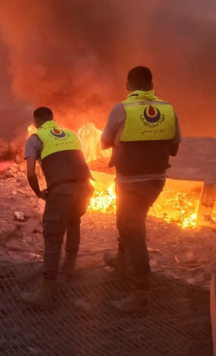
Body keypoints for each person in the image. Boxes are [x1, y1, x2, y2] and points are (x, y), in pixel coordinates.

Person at [101, 66, 181, 313]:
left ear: (128, 85)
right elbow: (174, 148)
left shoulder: (121, 109)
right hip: (156, 181)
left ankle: (140, 295)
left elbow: (104, 143)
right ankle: (122, 264)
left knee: (132, 232)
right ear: (151, 84)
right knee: (129, 224)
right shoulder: (168, 109)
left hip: (130, 182)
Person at [20, 107, 93, 308]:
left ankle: (46, 291)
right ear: (53, 119)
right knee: (73, 221)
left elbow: (31, 174)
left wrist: (38, 193)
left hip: (62, 191)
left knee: (52, 236)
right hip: (85, 187)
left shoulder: (35, 138)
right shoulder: (71, 134)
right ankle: (69, 268)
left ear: (36, 122)